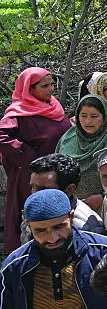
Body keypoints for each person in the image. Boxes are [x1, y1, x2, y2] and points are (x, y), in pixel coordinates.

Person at [0, 67, 72, 252]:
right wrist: (29, 155)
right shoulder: (18, 112)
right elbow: (2, 136)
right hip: (32, 176)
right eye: (44, 86)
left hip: (57, 170)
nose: (51, 89)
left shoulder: (52, 106)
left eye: (52, 84)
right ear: (29, 90)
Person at [57, 96, 107, 204]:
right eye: (83, 116)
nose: (88, 121)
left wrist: (103, 198)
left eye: (94, 116)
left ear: (105, 117)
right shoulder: (68, 138)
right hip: (69, 204)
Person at [28, 153, 103, 238]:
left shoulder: (87, 228)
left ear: (69, 189)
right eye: (33, 187)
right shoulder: (33, 211)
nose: (35, 195)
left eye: (43, 190)